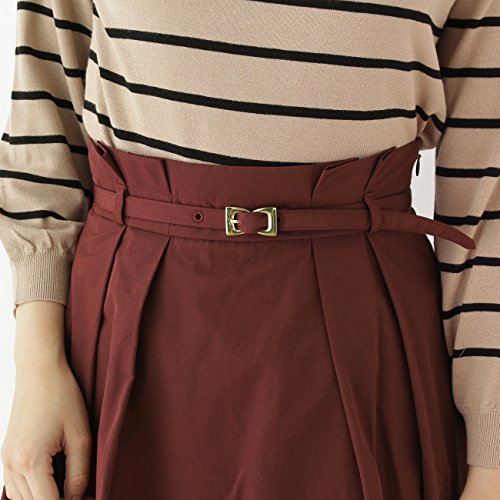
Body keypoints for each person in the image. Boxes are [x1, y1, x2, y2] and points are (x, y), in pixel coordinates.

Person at [0, 1, 498, 499]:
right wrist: (37, 365)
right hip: (127, 321)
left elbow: (487, 202)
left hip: (365, 335)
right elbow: (46, 118)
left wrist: (491, 466)